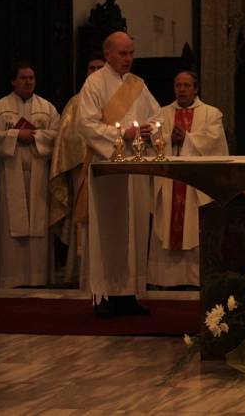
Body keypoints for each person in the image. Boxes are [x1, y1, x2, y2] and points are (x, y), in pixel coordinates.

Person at [77, 31, 163, 316]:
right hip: (108, 165)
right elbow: (86, 125)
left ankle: (128, 293)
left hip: (135, 164)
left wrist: (150, 130)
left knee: (135, 227)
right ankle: (104, 295)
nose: (129, 59)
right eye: (123, 54)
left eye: (131, 53)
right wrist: (120, 133)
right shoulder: (94, 83)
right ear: (108, 55)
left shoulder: (138, 84)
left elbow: (157, 115)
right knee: (108, 228)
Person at [149, 70, 228, 287]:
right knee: (167, 222)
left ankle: (195, 279)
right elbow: (151, 142)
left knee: (194, 227)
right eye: (178, 85)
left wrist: (187, 138)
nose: (182, 89)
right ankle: (164, 280)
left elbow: (215, 143)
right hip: (169, 183)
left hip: (195, 185)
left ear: (196, 88)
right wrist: (167, 138)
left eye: (186, 85)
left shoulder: (212, 114)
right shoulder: (161, 114)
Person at [0, 62, 60, 287]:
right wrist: (17, 135)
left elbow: (57, 136)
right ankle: (11, 277)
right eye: (23, 78)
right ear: (13, 81)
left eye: (32, 78)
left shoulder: (46, 108)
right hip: (11, 173)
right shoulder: (0, 107)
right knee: (11, 223)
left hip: (39, 173)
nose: (28, 82)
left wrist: (35, 137)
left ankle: (38, 277)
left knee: (38, 221)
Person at [49, 55, 105, 286]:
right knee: (83, 222)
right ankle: (80, 273)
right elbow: (66, 139)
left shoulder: (116, 99)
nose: (95, 71)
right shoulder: (76, 102)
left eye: (99, 68)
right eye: (91, 67)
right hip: (81, 169)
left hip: (108, 167)